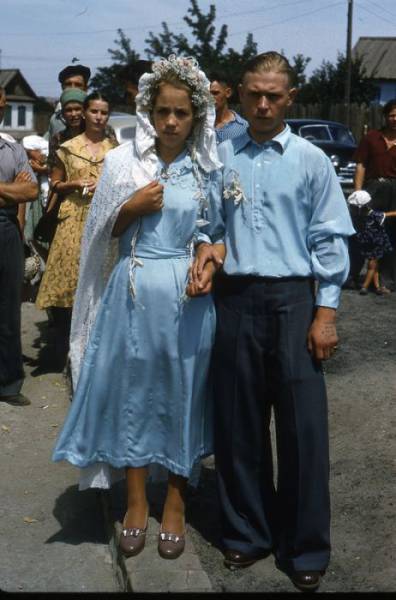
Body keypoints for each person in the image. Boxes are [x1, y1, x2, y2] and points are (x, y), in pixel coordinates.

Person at [192, 51, 355, 592]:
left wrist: (325, 313)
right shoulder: (219, 154)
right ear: (239, 94)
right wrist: (207, 251)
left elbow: (329, 239)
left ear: (290, 99)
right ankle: (246, 533)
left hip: (293, 301)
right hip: (234, 299)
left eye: (274, 95)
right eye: (254, 94)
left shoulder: (309, 159)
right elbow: (208, 223)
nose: (263, 104)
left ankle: (306, 545)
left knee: (303, 429)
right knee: (238, 426)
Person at [51, 55, 223, 561]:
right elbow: (97, 234)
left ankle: (174, 500)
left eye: (182, 113)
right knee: (134, 393)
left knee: (182, 393)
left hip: (186, 298)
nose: (171, 122)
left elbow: (211, 232)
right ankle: (133, 501)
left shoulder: (205, 166)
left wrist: (206, 261)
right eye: (163, 111)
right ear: (148, 109)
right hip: (132, 290)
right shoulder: (124, 162)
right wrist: (129, 208)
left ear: (196, 116)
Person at [36, 92, 118, 370]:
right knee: (71, 281)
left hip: (102, 216)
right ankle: (67, 350)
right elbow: (55, 184)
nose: (98, 117)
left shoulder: (115, 149)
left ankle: (96, 350)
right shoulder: (68, 147)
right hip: (72, 218)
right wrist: (74, 183)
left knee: (99, 281)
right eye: (94, 111)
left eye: (103, 112)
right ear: (84, 113)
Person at [0, 86, 38, 406]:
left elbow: (31, 191)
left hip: (7, 229)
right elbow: (19, 189)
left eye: (2, 105)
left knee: (9, 308)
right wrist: (11, 189)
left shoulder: (12, 148)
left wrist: (3, 191)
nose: (0, 110)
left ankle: (9, 382)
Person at [351, 99, 396, 291]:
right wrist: (358, 191)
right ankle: (351, 275)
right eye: (392, 115)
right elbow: (361, 164)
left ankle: (387, 280)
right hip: (373, 188)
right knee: (361, 231)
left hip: (395, 189)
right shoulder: (371, 138)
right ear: (386, 116)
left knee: (391, 233)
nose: (395, 119)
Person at [347, 190, 396, 295]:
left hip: (364, 243)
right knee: (372, 265)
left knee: (375, 265)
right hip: (376, 244)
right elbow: (387, 215)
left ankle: (377, 286)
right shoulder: (374, 215)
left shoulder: (356, 216)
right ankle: (365, 286)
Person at [47, 63, 91, 139]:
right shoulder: (55, 119)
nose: (72, 88)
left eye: (78, 85)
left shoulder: (95, 116)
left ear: (86, 88)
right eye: (68, 84)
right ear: (62, 87)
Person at [209, 72, 247, 143]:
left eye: (215, 93)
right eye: (207, 94)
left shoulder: (244, 128)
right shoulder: (199, 126)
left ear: (228, 93)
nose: (210, 98)